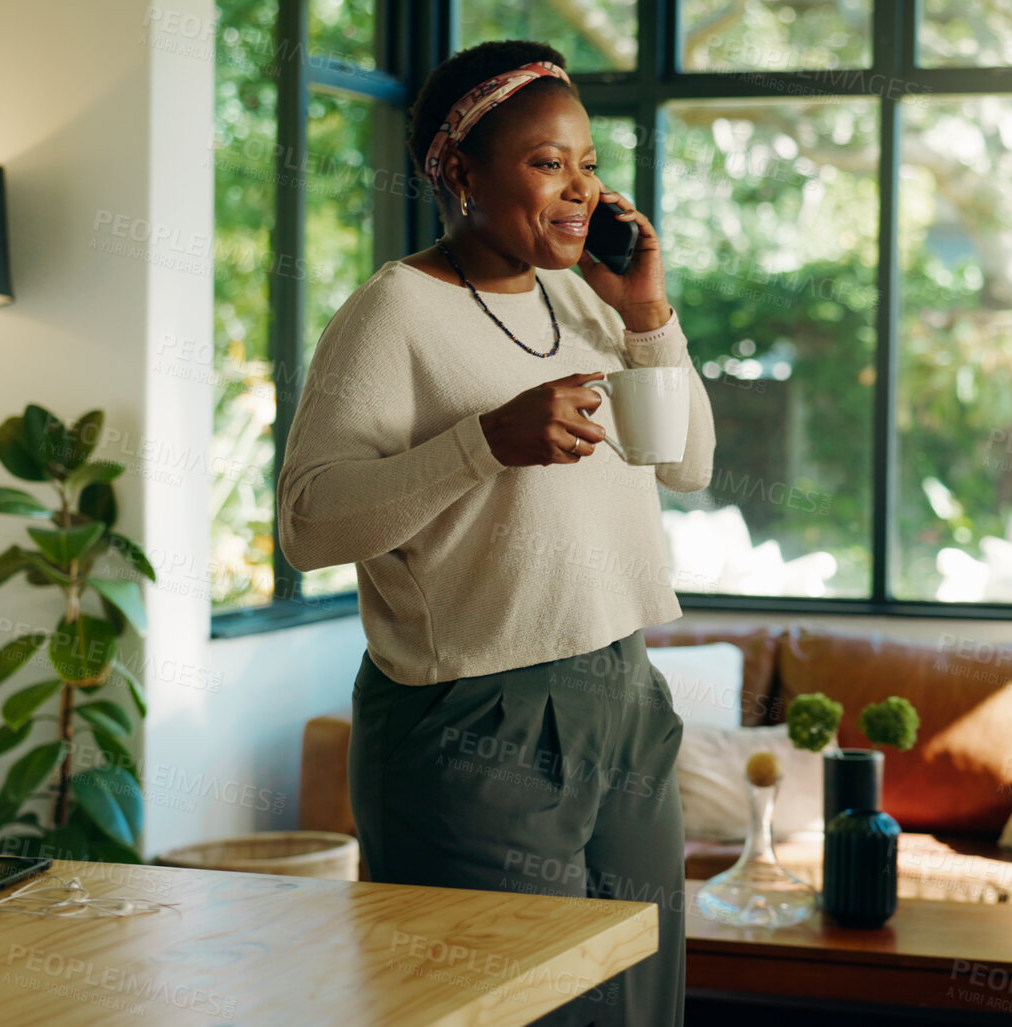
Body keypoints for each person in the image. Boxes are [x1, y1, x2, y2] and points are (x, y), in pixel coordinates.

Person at [274, 38, 715, 1027]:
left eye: (589, 162)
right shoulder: (392, 313)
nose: (579, 188)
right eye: (547, 162)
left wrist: (646, 313)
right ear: (460, 170)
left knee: (643, 1008)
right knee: (518, 1010)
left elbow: (685, 463)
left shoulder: (584, 298)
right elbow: (308, 523)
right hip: (475, 721)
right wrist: (483, 444)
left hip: (623, 694)